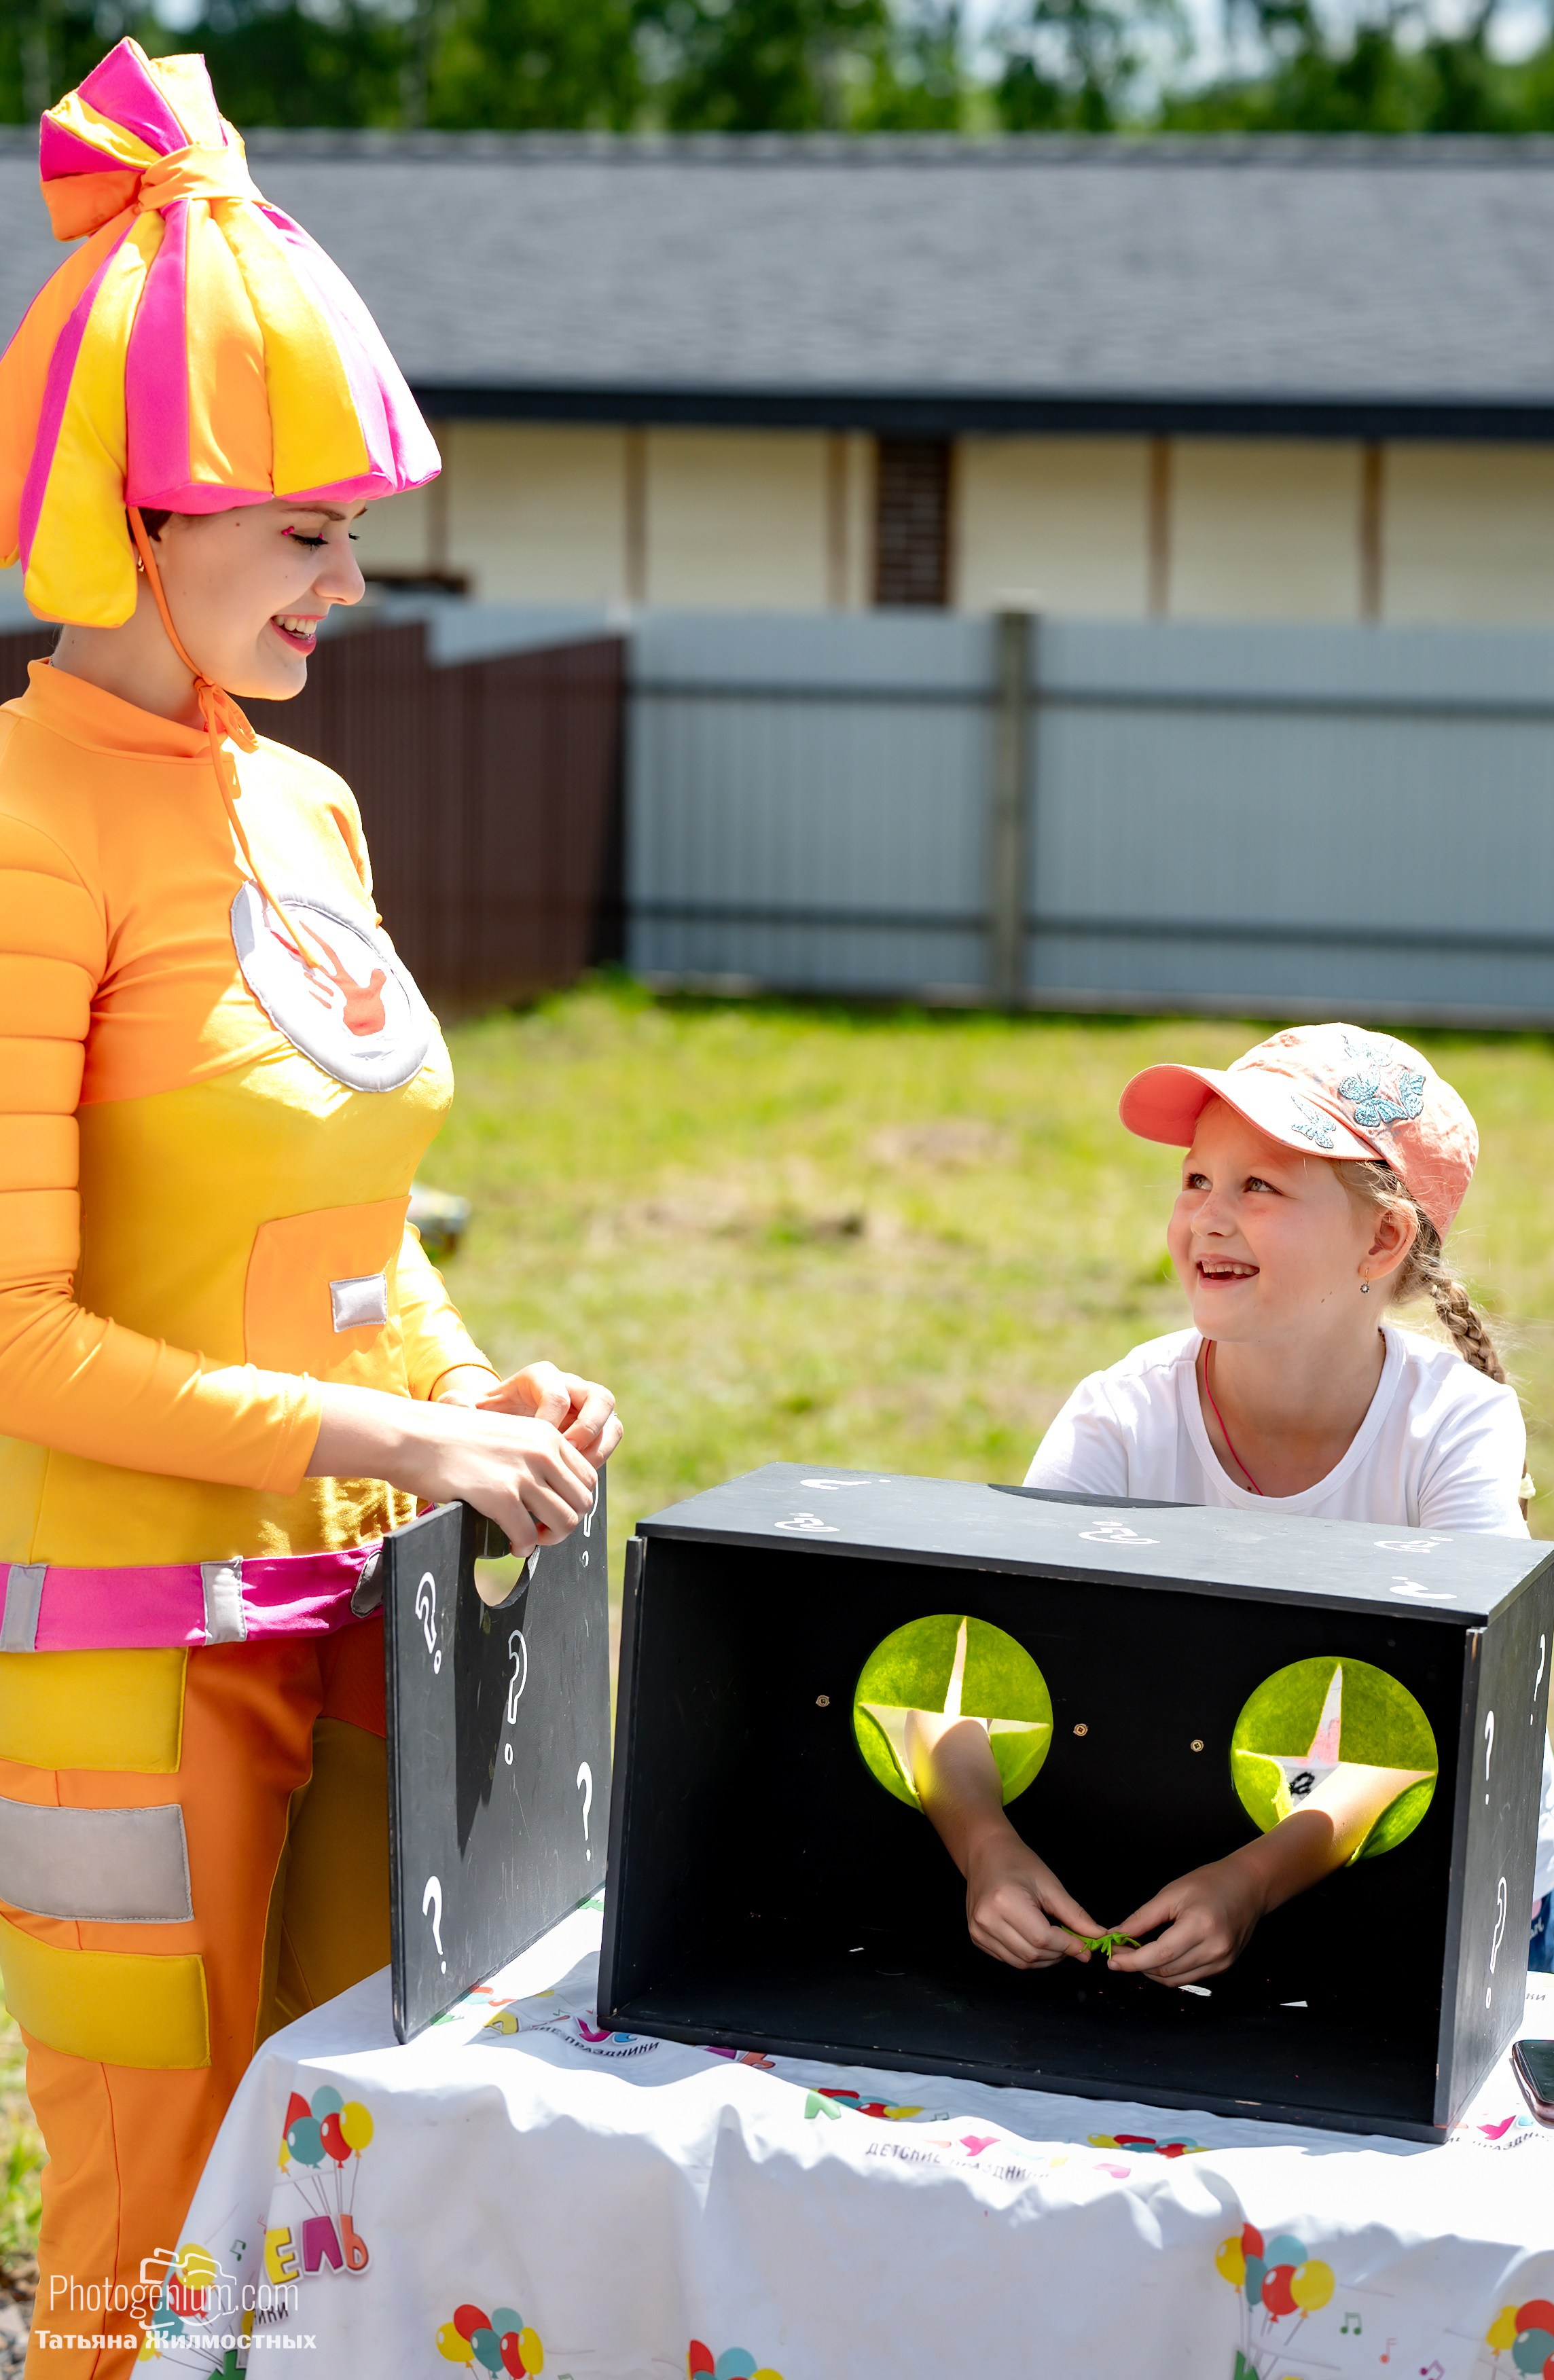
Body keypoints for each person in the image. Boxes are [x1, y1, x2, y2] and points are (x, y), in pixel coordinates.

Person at [0, 42, 620, 2377]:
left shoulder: (310, 808)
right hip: (115, 1662)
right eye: (308, 533)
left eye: (360, 529)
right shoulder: (24, 824)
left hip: (362, 1629)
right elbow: (11, 1329)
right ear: (136, 518)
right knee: (141, 2232)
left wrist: (473, 1393)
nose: (354, 583)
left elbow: (364, 1230)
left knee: (373, 2185)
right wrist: (400, 1445)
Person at [911, 1024, 1554, 1987]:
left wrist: (1257, 1880)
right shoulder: (1121, 1417)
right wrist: (984, 1847)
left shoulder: (1456, 1432)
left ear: (1382, 1239)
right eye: (1195, 1180)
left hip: (1437, 1902)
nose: (1209, 1218)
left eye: (1258, 1187)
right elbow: (962, 1667)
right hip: (1198, 1891)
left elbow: (1466, 1728)